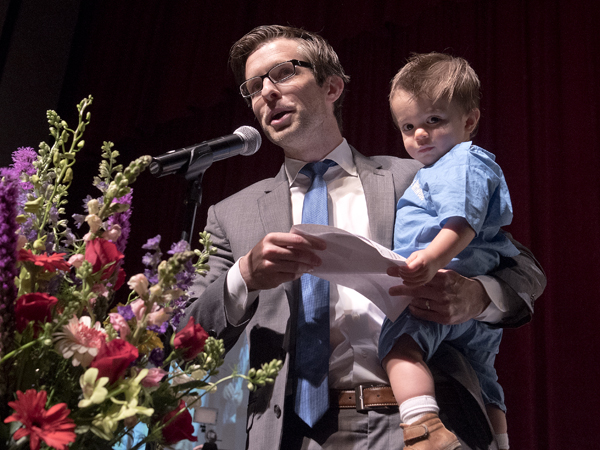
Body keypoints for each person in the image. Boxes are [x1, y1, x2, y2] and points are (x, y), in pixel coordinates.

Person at [182, 25, 546, 450]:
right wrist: (242, 276)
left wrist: (477, 296)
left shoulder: (417, 175)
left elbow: (524, 269)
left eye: (282, 73)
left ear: (332, 86)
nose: (266, 92)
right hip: (289, 436)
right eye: (253, 86)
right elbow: (186, 330)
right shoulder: (230, 215)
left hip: (422, 424)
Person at [379, 53, 517, 450]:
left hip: (437, 286)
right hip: (465, 310)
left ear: (469, 121)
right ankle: (500, 442)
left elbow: (462, 221)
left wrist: (432, 259)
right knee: (483, 377)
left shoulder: (460, 161)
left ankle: (424, 430)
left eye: (433, 121)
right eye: (408, 127)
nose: (419, 135)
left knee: (399, 345)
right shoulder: (449, 165)